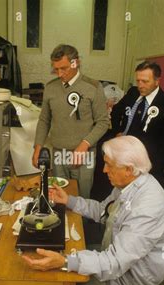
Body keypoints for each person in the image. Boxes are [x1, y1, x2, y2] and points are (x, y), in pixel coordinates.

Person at [23, 136, 164, 285]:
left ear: (129, 169)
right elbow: (104, 211)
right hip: (116, 256)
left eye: (109, 164)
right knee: (63, 261)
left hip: (127, 281)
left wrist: (66, 262)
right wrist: (69, 200)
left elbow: (116, 262)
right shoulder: (130, 184)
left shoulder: (147, 209)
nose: (104, 170)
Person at [32, 44, 110, 198]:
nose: (60, 74)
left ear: (76, 63)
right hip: (59, 154)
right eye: (56, 69)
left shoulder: (93, 87)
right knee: (60, 196)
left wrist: (84, 144)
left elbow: (103, 122)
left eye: (64, 68)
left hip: (84, 154)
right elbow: (44, 120)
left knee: (82, 197)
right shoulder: (50, 88)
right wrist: (37, 147)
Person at [111, 61, 164, 180]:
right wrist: (117, 131)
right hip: (122, 155)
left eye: (145, 81)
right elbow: (116, 111)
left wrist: (154, 171)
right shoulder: (133, 92)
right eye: (138, 81)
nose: (140, 85)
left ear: (157, 81)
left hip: (146, 163)